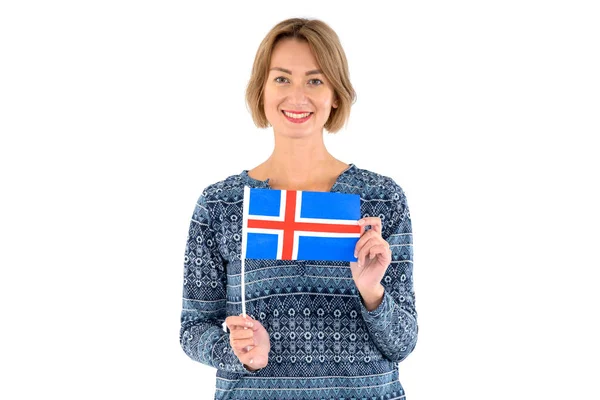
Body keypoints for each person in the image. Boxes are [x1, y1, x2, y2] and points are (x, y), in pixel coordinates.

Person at [179, 17, 418, 400]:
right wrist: (238, 351)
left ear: (335, 94)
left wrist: (372, 292)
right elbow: (193, 329)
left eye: (315, 80)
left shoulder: (381, 198)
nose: (297, 96)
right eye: (281, 78)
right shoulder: (221, 205)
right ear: (260, 90)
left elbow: (403, 343)